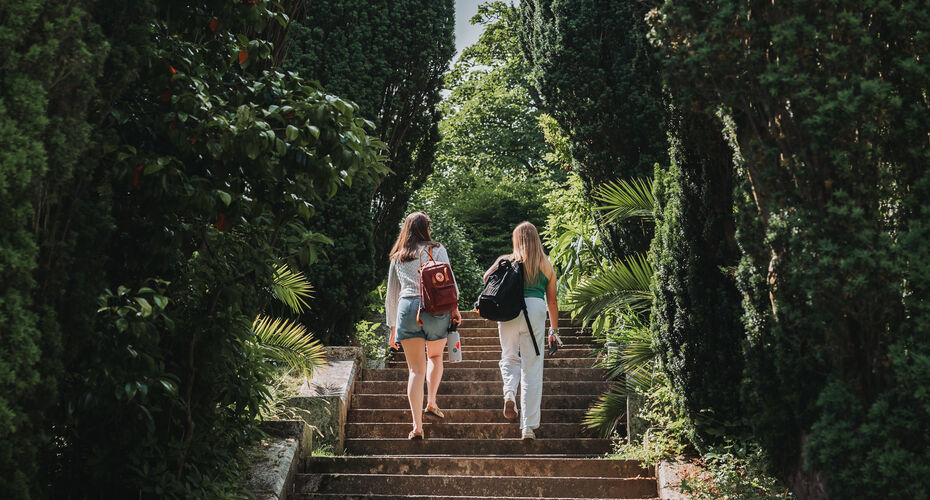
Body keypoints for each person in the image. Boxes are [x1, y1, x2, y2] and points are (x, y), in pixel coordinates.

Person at [385, 212, 462, 439]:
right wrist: (454, 309)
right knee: (435, 357)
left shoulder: (398, 256)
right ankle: (431, 401)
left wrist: (392, 328)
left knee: (415, 370)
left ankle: (417, 426)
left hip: (407, 309)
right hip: (435, 309)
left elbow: (392, 294)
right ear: (425, 228)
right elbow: (449, 281)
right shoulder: (437, 249)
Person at [483, 221, 559, 440]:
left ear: (516, 240)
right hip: (535, 310)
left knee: (508, 356)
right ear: (536, 239)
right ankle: (527, 427)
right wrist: (554, 331)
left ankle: (509, 393)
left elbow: (487, 279)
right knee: (532, 369)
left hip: (509, 309)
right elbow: (552, 302)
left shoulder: (505, 260)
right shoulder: (546, 264)